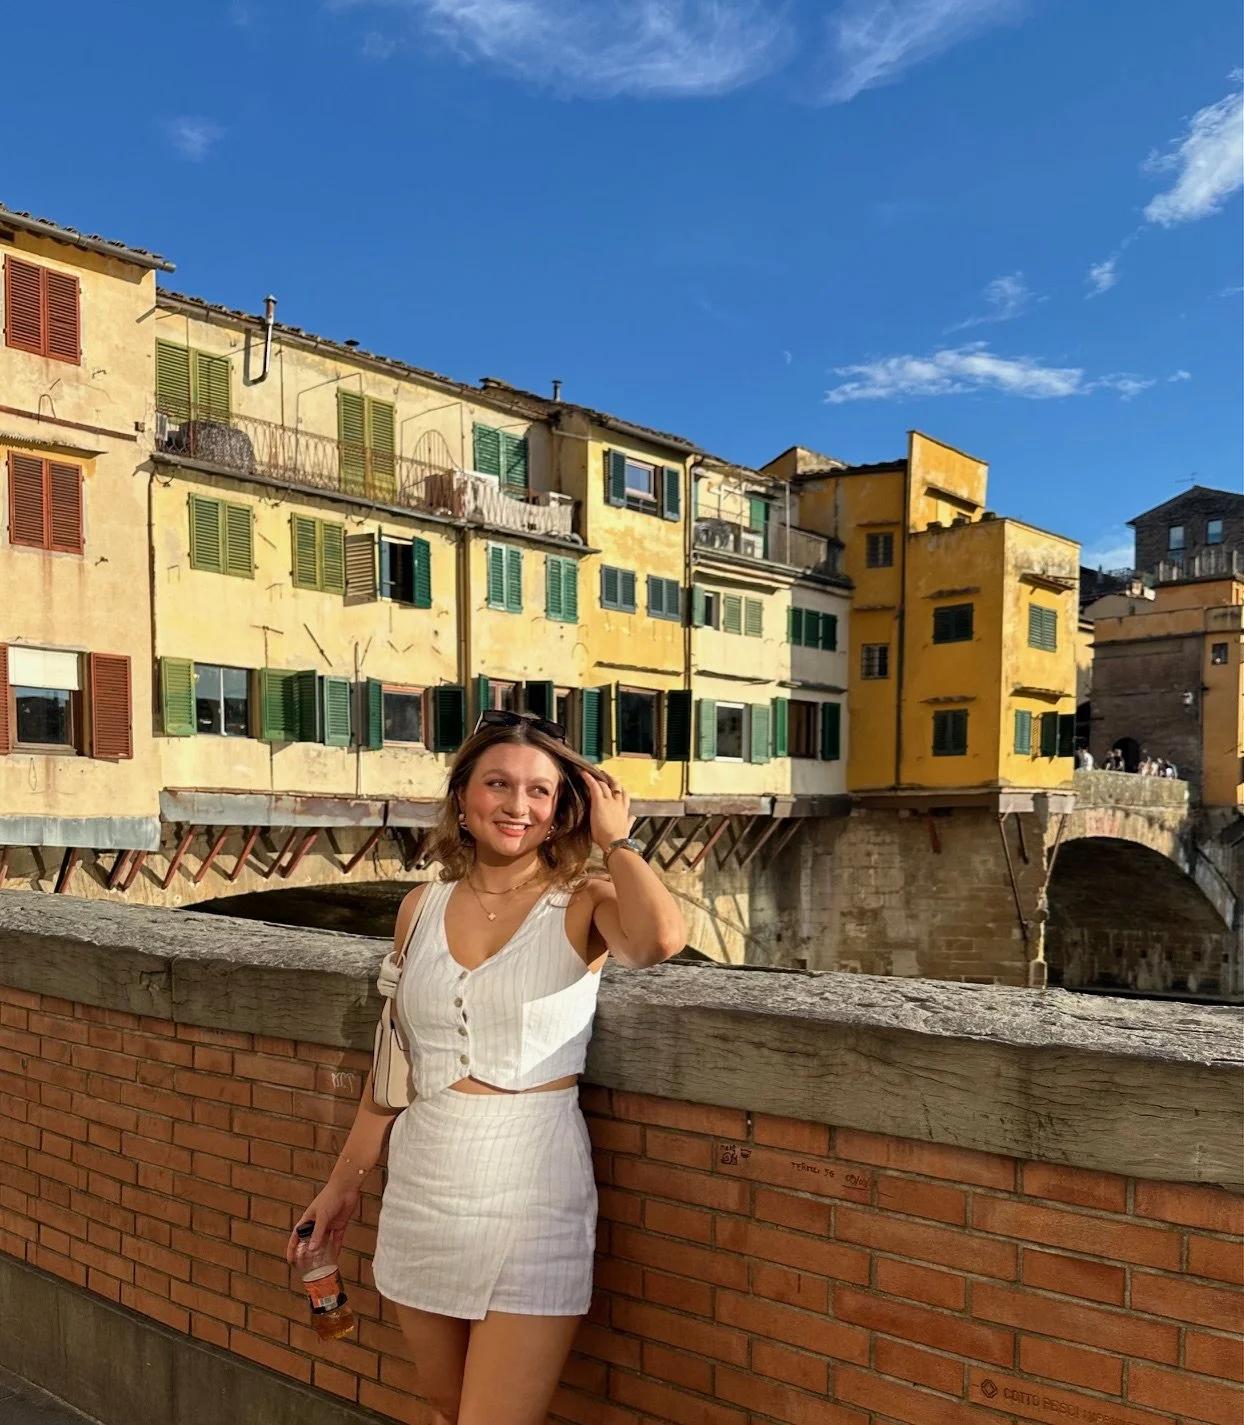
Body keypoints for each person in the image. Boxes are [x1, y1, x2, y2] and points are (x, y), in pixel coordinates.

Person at [286, 708, 686, 1425]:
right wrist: (342, 1185)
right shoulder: (419, 906)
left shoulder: (585, 900)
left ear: (565, 806)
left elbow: (659, 939)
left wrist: (617, 838)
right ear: (463, 797)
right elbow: (395, 1059)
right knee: (447, 1409)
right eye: (498, 783)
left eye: (540, 790)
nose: (518, 805)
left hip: (533, 1190)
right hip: (425, 1185)